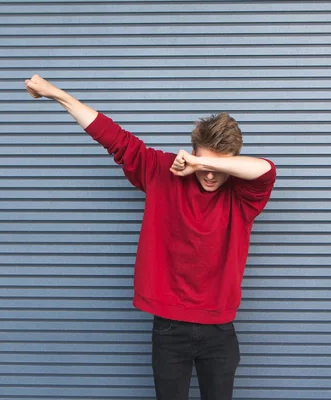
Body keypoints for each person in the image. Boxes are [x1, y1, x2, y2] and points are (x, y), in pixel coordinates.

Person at [24, 75, 276, 400]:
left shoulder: (243, 196)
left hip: (219, 331)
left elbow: (267, 169)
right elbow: (113, 137)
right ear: (192, 149)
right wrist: (56, 94)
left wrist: (198, 162)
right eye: (203, 163)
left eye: (219, 165)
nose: (210, 175)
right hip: (169, 327)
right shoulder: (161, 171)